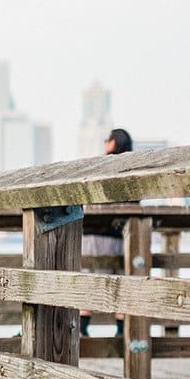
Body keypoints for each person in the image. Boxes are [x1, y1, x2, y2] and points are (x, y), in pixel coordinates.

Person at [80, 127, 133, 334]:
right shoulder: (133, 169)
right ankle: (121, 332)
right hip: (121, 236)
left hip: (94, 234)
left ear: (112, 143)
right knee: (120, 285)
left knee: (88, 284)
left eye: (106, 140)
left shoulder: (102, 167)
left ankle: (82, 330)